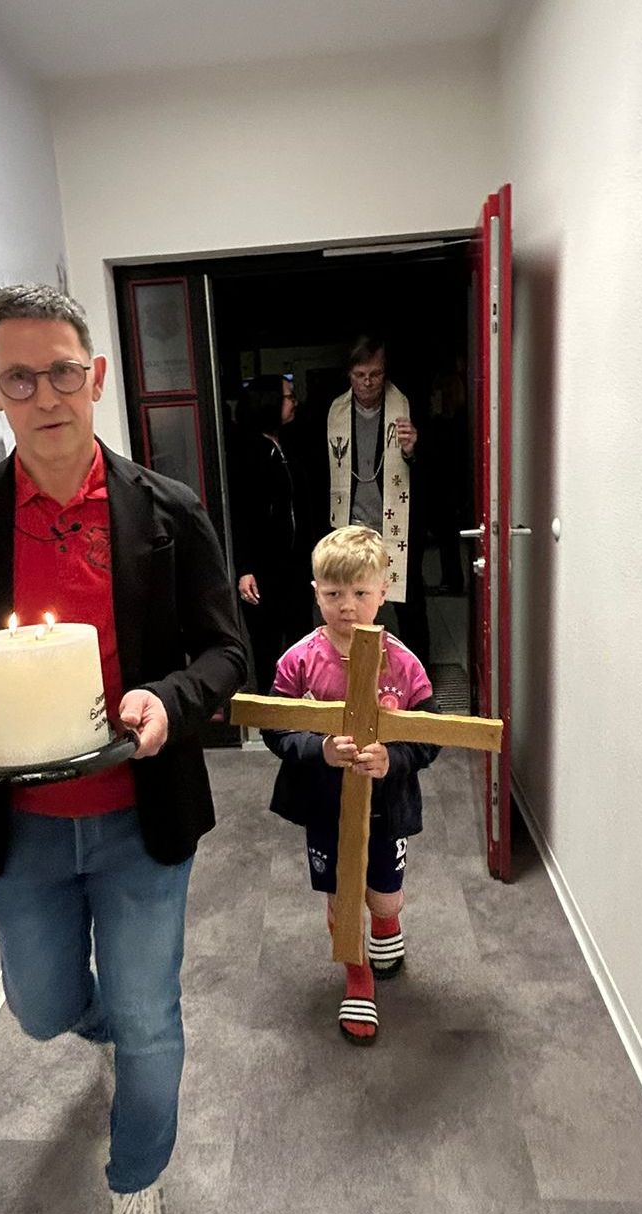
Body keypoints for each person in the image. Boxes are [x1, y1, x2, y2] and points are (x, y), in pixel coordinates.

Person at [0, 283, 247, 1214]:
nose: (46, 395)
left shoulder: (168, 512)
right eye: (20, 377)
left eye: (62, 371)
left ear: (95, 375)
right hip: (26, 829)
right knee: (45, 1006)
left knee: (149, 1018)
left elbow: (225, 652)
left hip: (143, 821)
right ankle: (102, 1026)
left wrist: (167, 699)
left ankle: (137, 1188)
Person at [262, 526, 441, 1046]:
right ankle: (357, 976)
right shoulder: (298, 661)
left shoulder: (403, 663)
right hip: (326, 804)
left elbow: (430, 733)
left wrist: (394, 758)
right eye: (333, 593)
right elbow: (275, 725)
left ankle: (385, 926)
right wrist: (318, 749)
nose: (347, 605)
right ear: (316, 592)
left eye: (360, 592)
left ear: (383, 591)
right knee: (342, 899)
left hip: (386, 804)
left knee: (384, 898)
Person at [325, 336, 430, 664]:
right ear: (349, 374)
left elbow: (436, 471)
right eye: (360, 375)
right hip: (351, 526)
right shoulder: (334, 411)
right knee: (351, 606)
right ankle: (354, 671)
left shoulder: (406, 405)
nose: (368, 382)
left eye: (375, 374)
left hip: (396, 525)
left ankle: (416, 674)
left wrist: (412, 450)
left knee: (408, 603)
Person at [229, 373, 311, 686]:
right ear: (270, 402)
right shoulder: (247, 451)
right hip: (264, 568)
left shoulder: (288, 442)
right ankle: (271, 710)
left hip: (295, 564)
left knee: (302, 639)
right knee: (268, 645)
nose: (294, 402)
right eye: (289, 396)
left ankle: (304, 707)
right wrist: (244, 568)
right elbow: (241, 514)